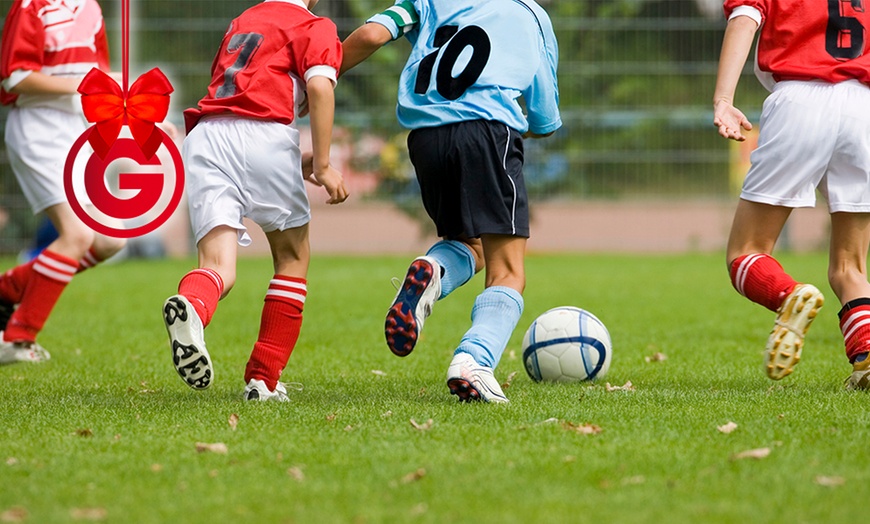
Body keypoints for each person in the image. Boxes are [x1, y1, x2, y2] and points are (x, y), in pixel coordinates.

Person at [341, 0, 561, 403]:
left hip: (425, 137)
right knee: (508, 270)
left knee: (468, 244)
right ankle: (473, 360)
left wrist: (322, 74)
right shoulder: (530, 13)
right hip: (487, 129)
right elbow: (544, 119)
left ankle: (434, 267)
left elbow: (373, 34)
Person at [162, 0, 348, 401]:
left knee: (217, 266)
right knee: (292, 259)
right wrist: (325, 163)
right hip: (266, 134)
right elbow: (318, 87)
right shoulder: (315, 25)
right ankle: (263, 380)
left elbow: (239, 103)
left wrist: (296, 163)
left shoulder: (243, 21)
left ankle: (193, 304)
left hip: (206, 137)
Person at [713, 0, 870, 388]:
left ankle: (790, 295)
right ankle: (866, 359)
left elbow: (745, 19)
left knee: (745, 251)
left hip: (800, 98)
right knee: (850, 266)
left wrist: (723, 100)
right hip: (864, 107)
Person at [0, 0, 126, 365]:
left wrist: (139, 123)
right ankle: (16, 337)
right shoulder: (31, 7)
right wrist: (80, 85)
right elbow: (14, 77)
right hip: (37, 127)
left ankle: (8, 288)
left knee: (111, 238)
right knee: (77, 236)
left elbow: (97, 84)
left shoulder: (91, 9)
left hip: (74, 130)